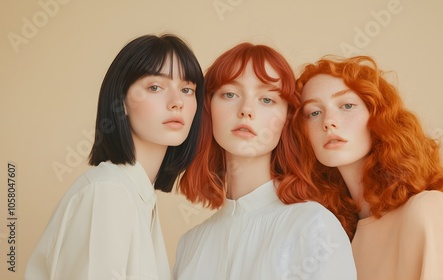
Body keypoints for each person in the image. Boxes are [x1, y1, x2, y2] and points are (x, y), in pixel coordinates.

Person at [25, 33, 204, 280]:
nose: (177, 102)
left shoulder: (138, 196)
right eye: (155, 87)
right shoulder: (107, 192)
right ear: (121, 100)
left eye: (187, 89)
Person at [173, 43, 356, 280]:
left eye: (267, 100)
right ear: (207, 109)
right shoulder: (190, 244)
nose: (246, 110)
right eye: (230, 94)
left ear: (287, 119)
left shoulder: (313, 226)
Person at [293, 55, 443, 280]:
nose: (328, 121)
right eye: (314, 112)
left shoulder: (425, 211)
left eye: (347, 105)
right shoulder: (339, 237)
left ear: (377, 116)